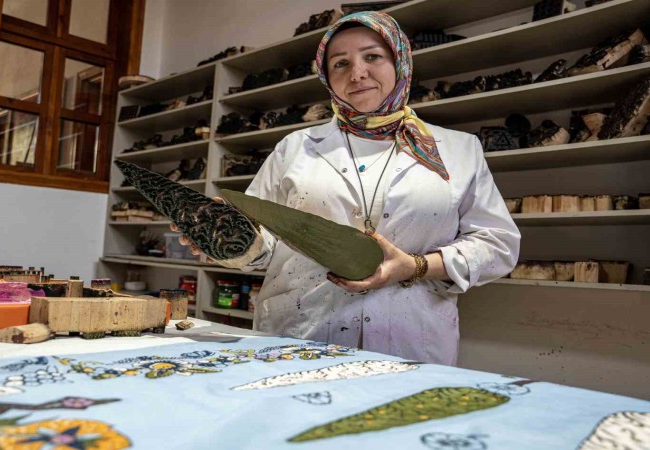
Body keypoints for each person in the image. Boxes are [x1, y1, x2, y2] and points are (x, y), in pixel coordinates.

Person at [176, 11, 520, 366]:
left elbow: (498, 245)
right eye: (340, 63)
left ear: (400, 62)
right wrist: (230, 239)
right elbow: (265, 245)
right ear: (326, 76)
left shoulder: (458, 150)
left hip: (411, 342)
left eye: (372, 57)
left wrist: (414, 266)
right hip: (301, 335)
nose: (357, 74)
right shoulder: (295, 148)